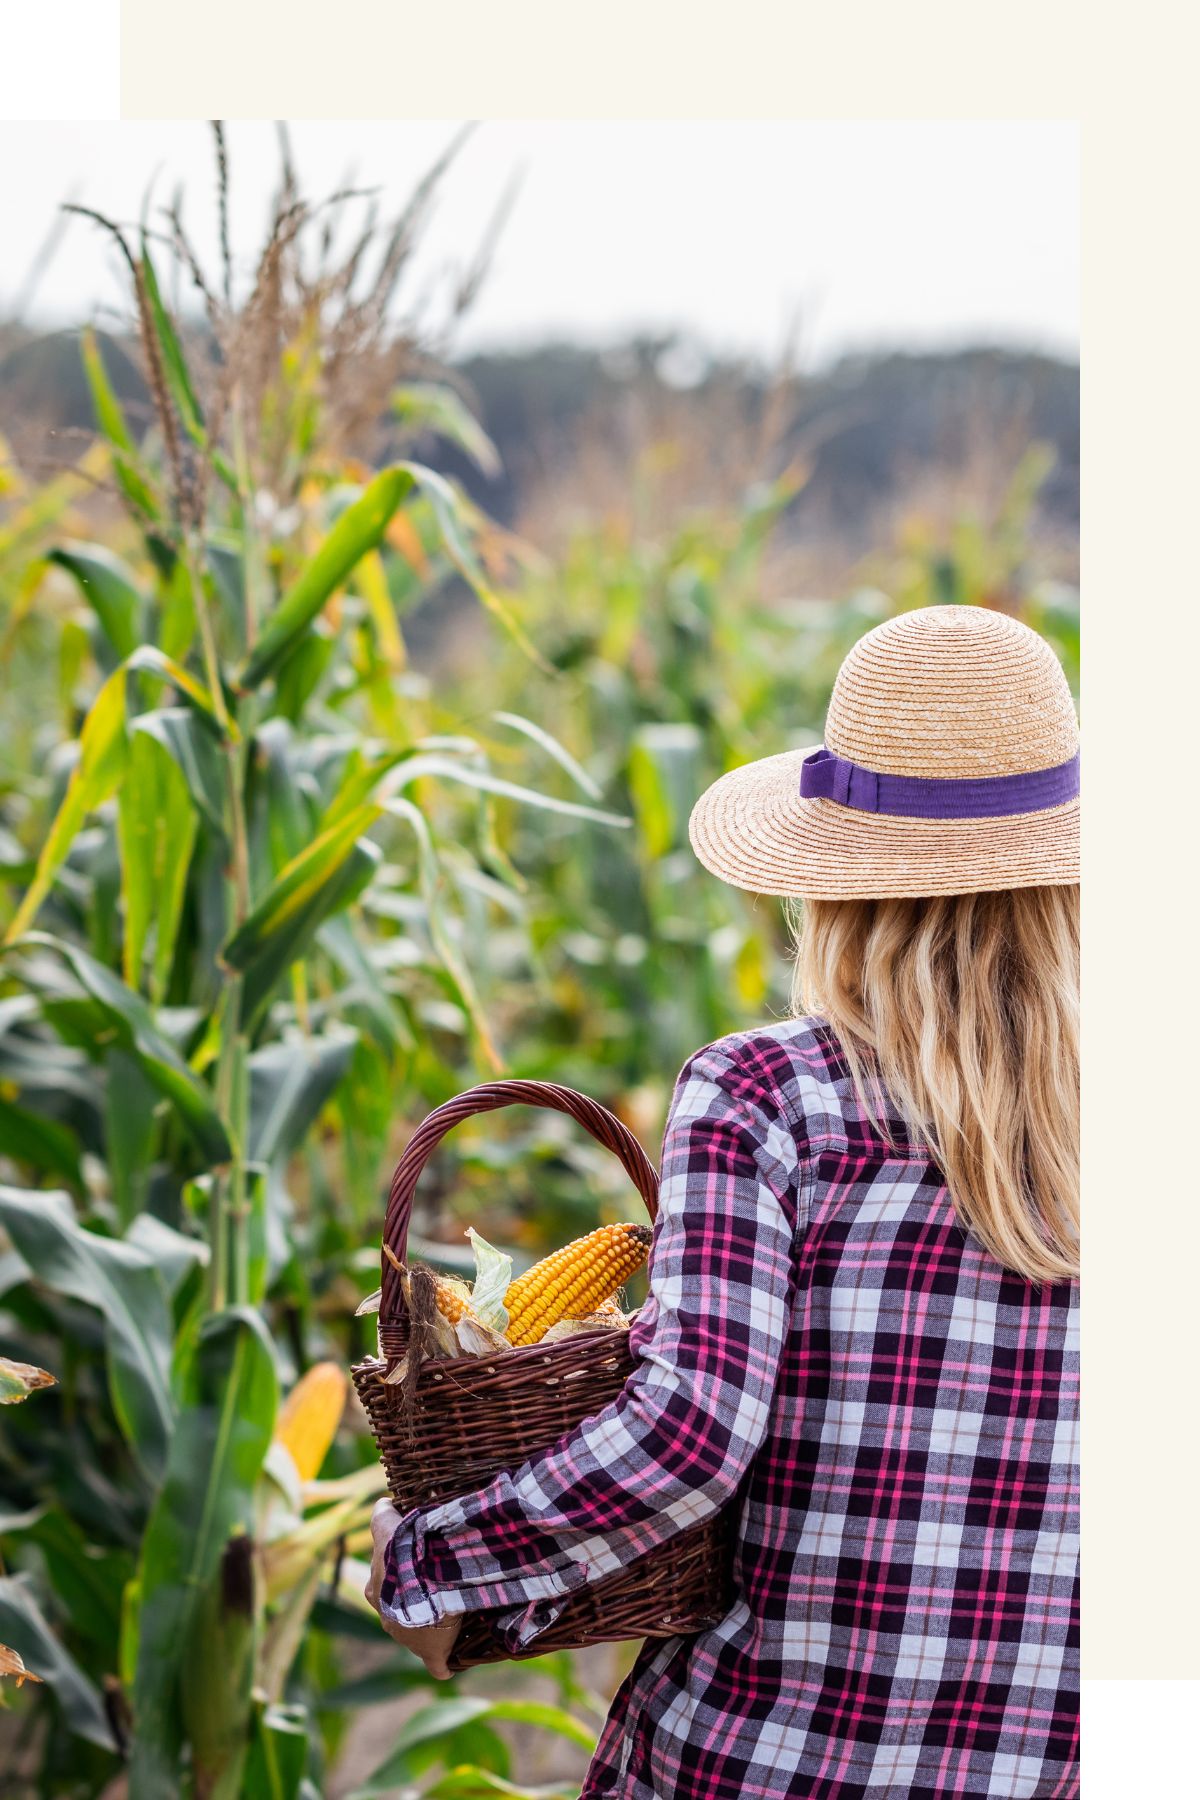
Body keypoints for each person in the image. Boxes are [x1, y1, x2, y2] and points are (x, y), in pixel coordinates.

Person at [365, 604, 1080, 1800]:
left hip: (764, 1761)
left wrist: (431, 1563)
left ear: (839, 882)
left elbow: (689, 1438)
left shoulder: (771, 1093)